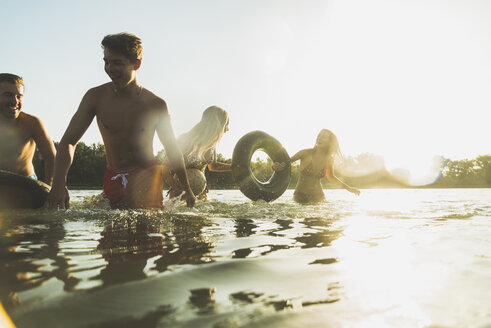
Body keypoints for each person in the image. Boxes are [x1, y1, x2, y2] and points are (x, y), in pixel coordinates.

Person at [46, 33, 195, 209]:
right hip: (113, 176)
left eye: (117, 63)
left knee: (146, 232)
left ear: (137, 64)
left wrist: (187, 189)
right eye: (106, 62)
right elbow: (69, 141)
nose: (109, 68)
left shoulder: (156, 104)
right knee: (109, 233)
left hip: (146, 177)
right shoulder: (95, 97)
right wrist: (58, 184)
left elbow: (172, 149)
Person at [162, 106, 231, 200]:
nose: (227, 129)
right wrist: (176, 188)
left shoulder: (212, 145)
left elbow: (213, 166)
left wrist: (235, 166)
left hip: (201, 193)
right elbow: (164, 167)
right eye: (226, 125)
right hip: (179, 193)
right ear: (218, 124)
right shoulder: (185, 140)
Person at [273, 129, 360, 203]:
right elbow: (285, 163)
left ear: (329, 143)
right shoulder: (305, 153)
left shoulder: (328, 159)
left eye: (323, 137)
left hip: (318, 196)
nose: (319, 138)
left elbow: (331, 177)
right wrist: (274, 167)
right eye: (319, 136)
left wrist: (349, 188)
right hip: (300, 195)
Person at [0, 73, 56, 185]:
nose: (15, 101)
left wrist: (51, 186)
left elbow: (51, 156)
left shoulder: (32, 123)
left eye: (19, 96)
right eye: (8, 95)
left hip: (26, 184)